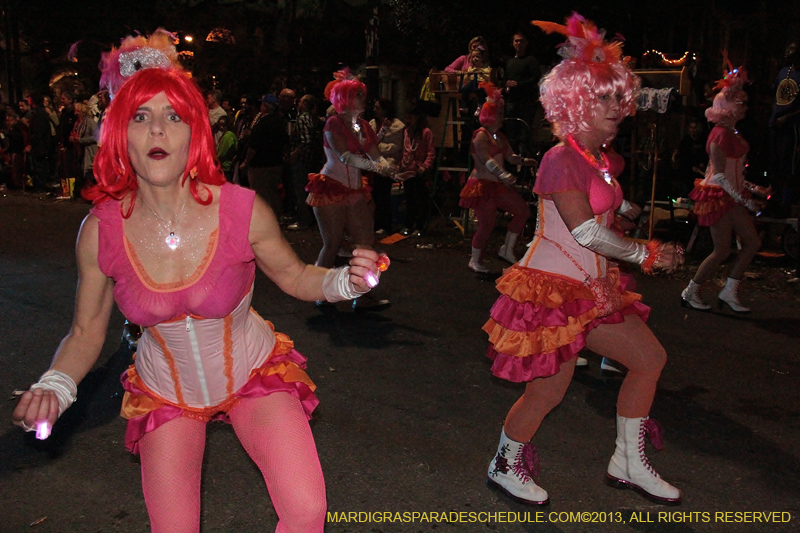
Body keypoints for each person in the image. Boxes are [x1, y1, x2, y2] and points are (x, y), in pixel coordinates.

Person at [11, 30, 387, 533]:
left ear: (195, 132)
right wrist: (54, 387)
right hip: (166, 394)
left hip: (254, 375)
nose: (157, 130)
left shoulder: (240, 209)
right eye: (140, 117)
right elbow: (85, 332)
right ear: (120, 133)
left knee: (305, 509)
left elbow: (296, 276)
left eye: (174, 116)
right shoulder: (100, 231)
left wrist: (347, 282)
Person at [483, 13, 684, 507]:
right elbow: (586, 231)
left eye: (618, 97)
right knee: (547, 392)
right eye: (602, 98)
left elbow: (605, 208)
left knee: (649, 359)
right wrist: (645, 253)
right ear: (574, 102)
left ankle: (628, 461)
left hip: (593, 290)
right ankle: (505, 463)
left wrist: (629, 210)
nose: (615, 107)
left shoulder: (601, 160)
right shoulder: (561, 158)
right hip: (553, 291)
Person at [306, 69, 398, 310]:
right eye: (358, 94)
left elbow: (376, 155)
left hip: (355, 191)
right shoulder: (334, 123)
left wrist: (388, 168)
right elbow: (345, 156)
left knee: (365, 244)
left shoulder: (364, 126)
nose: (364, 99)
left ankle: (362, 292)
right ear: (345, 99)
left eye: (362, 94)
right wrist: (378, 167)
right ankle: (318, 291)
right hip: (331, 188)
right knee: (332, 243)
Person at [682, 67, 768, 313]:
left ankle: (728, 290)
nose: (745, 108)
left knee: (748, 243)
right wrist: (745, 199)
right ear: (728, 108)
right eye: (741, 103)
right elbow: (719, 175)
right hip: (719, 196)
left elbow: (732, 172)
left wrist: (753, 189)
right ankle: (692, 291)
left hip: (729, 195)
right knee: (724, 249)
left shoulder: (730, 132)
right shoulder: (720, 134)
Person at [458, 82, 536, 272]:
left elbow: (510, 156)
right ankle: (474, 260)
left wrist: (526, 161)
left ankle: (507, 250)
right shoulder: (480, 136)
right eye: (500, 113)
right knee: (487, 224)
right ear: (491, 115)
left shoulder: (499, 136)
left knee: (522, 211)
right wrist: (504, 174)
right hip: (482, 186)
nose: (503, 117)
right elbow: (486, 160)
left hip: (498, 185)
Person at [396, 106, 435, 235]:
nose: (408, 119)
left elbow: (430, 151)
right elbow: (404, 150)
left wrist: (425, 166)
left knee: (420, 199)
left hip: (419, 170)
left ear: (417, 117)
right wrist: (400, 164)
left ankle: (420, 226)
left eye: (410, 117)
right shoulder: (407, 132)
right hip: (408, 170)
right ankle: (409, 224)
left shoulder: (426, 132)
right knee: (409, 199)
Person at [369, 97, 405, 235]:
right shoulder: (372, 124)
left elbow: (395, 147)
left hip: (387, 164)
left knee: (383, 195)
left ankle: (385, 224)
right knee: (374, 196)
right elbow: (368, 142)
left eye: (378, 107)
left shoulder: (397, 126)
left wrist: (377, 148)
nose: (375, 110)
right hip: (372, 163)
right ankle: (375, 223)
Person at [287, 94, 323, 231]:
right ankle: (310, 218)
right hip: (311, 161)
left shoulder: (302, 119)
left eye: (301, 102)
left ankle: (303, 220)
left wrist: (294, 154)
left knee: (300, 191)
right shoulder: (313, 119)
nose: (298, 104)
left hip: (302, 161)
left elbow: (306, 141)